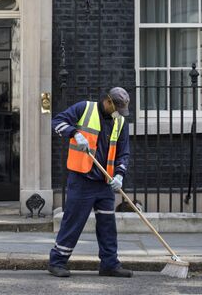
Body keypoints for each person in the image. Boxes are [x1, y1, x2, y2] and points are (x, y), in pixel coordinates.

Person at [48, 87, 133, 278]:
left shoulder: (120, 122)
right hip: (82, 179)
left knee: (107, 225)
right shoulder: (84, 108)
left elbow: (123, 153)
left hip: (105, 182)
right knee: (73, 221)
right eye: (116, 107)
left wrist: (119, 175)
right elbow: (56, 121)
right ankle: (57, 262)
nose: (118, 112)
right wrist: (74, 133)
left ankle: (110, 264)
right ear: (108, 101)